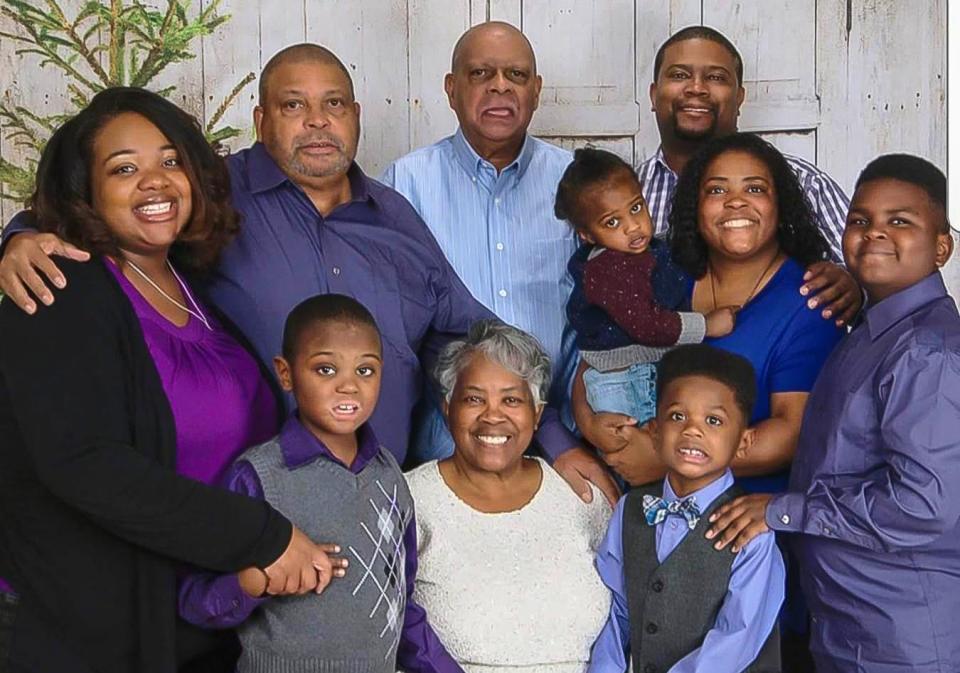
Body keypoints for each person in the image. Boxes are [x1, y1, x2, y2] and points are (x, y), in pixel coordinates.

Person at [0, 43, 491, 466]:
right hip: (244, 505)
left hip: (377, 490)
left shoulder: (394, 214)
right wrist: (21, 237)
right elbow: (108, 211)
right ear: (260, 120)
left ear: (356, 115)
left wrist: (551, 437)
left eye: (334, 104)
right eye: (294, 105)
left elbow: (466, 332)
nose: (318, 120)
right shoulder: (211, 193)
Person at [0, 88, 343, 673]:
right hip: (88, 634)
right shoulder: (60, 289)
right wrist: (260, 535)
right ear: (86, 192)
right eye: (124, 168)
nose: (155, 181)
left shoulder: (191, 287)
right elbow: (85, 463)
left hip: (203, 614)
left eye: (170, 160)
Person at [706, 154, 960, 673]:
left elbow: (924, 504)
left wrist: (783, 510)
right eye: (860, 220)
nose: (874, 234)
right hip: (851, 629)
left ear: (942, 246)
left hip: (902, 638)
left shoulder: (926, 352)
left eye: (900, 222)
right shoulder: (870, 330)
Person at [381, 21, 618, 504]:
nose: (500, 86)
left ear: (535, 90)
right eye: (481, 73)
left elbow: (608, 314)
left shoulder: (577, 186)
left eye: (516, 74)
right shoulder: (405, 186)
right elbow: (396, 330)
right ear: (452, 89)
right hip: (442, 452)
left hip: (565, 455)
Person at [179, 294, 461, 672]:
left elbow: (401, 602)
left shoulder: (389, 475)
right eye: (326, 370)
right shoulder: (259, 477)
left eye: (365, 371)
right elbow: (196, 601)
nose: (349, 387)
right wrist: (256, 581)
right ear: (286, 373)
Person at [575, 133, 843, 494]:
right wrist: (590, 422)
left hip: (741, 521)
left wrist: (667, 459)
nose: (735, 202)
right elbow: (596, 353)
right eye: (717, 190)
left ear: (780, 205)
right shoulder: (663, 271)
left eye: (755, 189)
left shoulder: (810, 300)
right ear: (694, 206)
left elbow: (791, 433)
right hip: (649, 512)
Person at [405, 320, 611, 672]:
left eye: (512, 399)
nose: (493, 416)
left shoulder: (582, 497)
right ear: (447, 408)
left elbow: (630, 621)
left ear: (537, 414)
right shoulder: (410, 500)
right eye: (474, 399)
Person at [640, 25, 860, 327]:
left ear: (740, 98)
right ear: (653, 95)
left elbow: (874, 279)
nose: (696, 88)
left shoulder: (804, 183)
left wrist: (855, 287)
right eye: (679, 75)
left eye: (716, 77)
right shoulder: (625, 194)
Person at [589, 344, 784, 673]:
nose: (693, 430)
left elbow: (735, 639)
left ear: (744, 441)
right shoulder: (630, 510)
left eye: (714, 420)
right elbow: (613, 611)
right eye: (677, 416)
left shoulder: (752, 530)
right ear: (654, 431)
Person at [556, 147, 735, 422]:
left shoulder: (640, 251)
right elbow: (646, 324)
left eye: (636, 208)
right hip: (625, 381)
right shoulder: (608, 270)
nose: (633, 227)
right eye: (612, 222)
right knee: (641, 452)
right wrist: (707, 325)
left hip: (640, 371)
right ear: (587, 235)